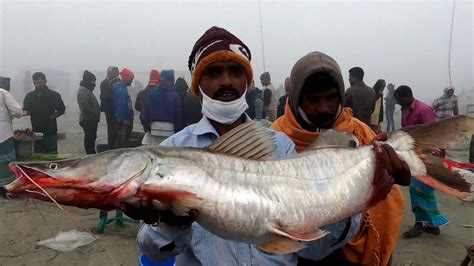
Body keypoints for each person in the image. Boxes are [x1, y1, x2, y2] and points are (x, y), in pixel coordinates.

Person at [126, 26, 386, 266]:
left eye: (236, 71)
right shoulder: (172, 150)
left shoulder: (280, 145)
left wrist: (350, 202)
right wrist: (171, 225)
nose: (226, 81)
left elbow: (311, 249)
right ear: (198, 84)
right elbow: (153, 252)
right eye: (213, 72)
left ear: (247, 81)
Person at [272, 52, 410, 265]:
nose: (324, 108)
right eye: (313, 100)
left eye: (331, 97)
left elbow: (383, 205)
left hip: (357, 250)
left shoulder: (361, 133)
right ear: (296, 98)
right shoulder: (277, 139)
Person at [393, 85, 449, 238]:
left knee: (419, 190)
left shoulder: (424, 110)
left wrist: (435, 155)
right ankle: (433, 224)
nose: (398, 103)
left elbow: (434, 133)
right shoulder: (405, 110)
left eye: (399, 100)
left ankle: (419, 225)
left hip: (427, 156)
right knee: (422, 191)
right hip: (414, 155)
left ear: (406, 97)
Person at [23, 72, 65, 154]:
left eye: (39, 82)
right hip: (36, 132)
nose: (37, 84)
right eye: (35, 83)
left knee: (52, 156)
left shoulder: (54, 95)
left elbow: (61, 110)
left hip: (50, 131)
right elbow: (26, 110)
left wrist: (51, 117)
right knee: (38, 156)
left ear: (45, 81)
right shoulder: (29, 96)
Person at [140, 70, 183, 145]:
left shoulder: (151, 93)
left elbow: (145, 112)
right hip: (170, 131)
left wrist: (146, 126)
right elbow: (178, 117)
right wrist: (179, 132)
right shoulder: (175, 95)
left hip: (153, 130)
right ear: (172, 80)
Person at [0, 77, 24, 197]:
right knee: (6, 162)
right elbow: (17, 111)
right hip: (3, 135)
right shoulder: (3, 93)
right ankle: (6, 189)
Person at [77, 70, 100, 154]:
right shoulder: (83, 91)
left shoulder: (87, 90)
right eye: (93, 81)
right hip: (88, 120)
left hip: (91, 119)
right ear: (88, 81)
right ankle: (90, 154)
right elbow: (85, 107)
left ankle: (91, 152)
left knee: (92, 138)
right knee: (89, 138)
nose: (94, 84)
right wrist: (93, 115)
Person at [113, 68, 134, 148]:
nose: (132, 81)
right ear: (126, 78)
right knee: (124, 142)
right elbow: (122, 107)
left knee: (120, 140)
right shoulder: (122, 90)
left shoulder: (119, 88)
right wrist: (125, 120)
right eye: (131, 79)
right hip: (124, 121)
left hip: (120, 120)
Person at [100, 66, 120, 149]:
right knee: (111, 127)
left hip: (117, 109)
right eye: (113, 72)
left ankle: (115, 144)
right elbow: (105, 96)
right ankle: (111, 145)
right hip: (109, 109)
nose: (115, 74)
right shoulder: (104, 83)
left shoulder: (118, 82)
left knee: (117, 128)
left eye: (116, 73)